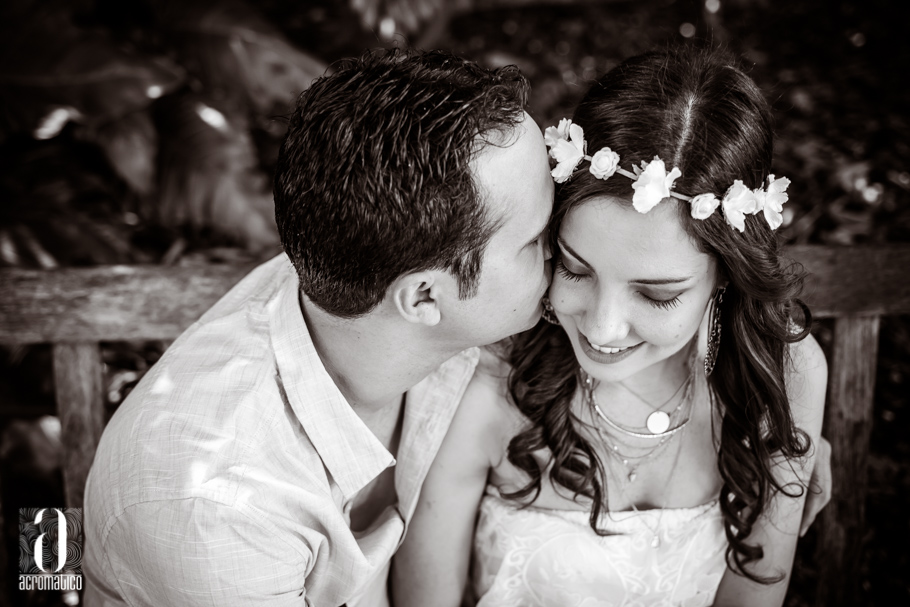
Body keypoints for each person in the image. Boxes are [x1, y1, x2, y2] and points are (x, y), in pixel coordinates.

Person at [82, 48, 555, 606]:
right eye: (535, 241)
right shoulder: (216, 506)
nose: (562, 251)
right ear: (424, 296)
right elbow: (45, 566)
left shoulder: (370, 266)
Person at [392, 45, 829, 607]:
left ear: (726, 274)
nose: (602, 327)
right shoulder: (483, 386)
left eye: (657, 294)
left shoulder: (785, 379)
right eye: (575, 269)